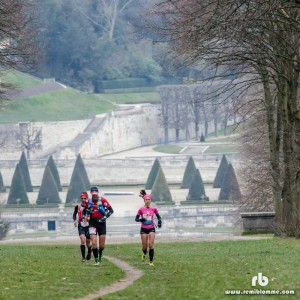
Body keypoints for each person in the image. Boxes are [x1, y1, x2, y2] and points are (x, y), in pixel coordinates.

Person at [86, 186, 114, 266]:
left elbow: (111, 210)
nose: (94, 196)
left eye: (95, 195)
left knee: (102, 246)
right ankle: (96, 260)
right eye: (93, 195)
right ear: (91, 194)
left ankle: (100, 252)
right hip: (92, 223)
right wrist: (87, 217)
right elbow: (86, 213)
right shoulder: (88, 202)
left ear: (98, 193)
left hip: (101, 223)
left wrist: (104, 217)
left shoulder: (103, 200)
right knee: (94, 242)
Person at [135, 189, 162, 267]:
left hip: (151, 228)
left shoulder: (154, 209)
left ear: (151, 200)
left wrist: (160, 222)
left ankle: (151, 262)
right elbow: (136, 219)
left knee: (151, 244)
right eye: (146, 199)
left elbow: (159, 217)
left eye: (149, 199)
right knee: (144, 246)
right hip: (143, 228)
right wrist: (141, 219)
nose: (147, 201)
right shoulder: (141, 209)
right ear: (144, 200)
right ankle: (144, 253)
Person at [72, 192, 92, 262]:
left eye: (85, 198)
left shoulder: (90, 206)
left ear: (87, 199)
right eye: (82, 198)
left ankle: (89, 250)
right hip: (81, 225)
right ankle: (83, 257)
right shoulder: (77, 206)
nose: (83, 200)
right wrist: (74, 220)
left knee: (88, 242)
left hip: (89, 226)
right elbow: (74, 214)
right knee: (82, 240)